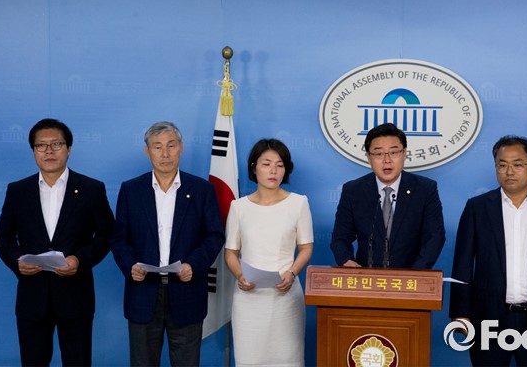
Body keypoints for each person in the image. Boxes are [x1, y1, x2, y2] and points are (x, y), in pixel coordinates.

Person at [449, 135, 527, 366]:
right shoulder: (478, 208)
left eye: (517, 164)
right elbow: (462, 265)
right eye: (502, 165)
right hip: (488, 317)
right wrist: (460, 314)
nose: (509, 171)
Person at [0, 118, 114, 366]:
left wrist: (79, 260)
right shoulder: (18, 191)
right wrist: (17, 262)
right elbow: (3, 237)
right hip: (32, 296)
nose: (49, 151)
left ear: (68, 149)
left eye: (56, 144)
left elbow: (107, 235)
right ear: (33, 151)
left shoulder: (91, 189)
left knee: (78, 361)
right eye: (41, 145)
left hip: (76, 295)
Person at [110, 121, 224, 366]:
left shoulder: (202, 190)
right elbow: (119, 238)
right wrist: (131, 266)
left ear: (181, 147)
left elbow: (214, 235)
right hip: (143, 291)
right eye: (157, 146)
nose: (165, 153)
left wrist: (193, 265)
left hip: (187, 291)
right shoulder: (131, 190)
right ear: (147, 151)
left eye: (171, 145)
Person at [224, 138, 313, 366]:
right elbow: (231, 252)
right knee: (249, 359)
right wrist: (240, 276)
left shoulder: (298, 203)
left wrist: (291, 273)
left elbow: (306, 248)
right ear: (254, 167)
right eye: (266, 164)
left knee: (288, 359)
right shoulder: (239, 207)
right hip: (248, 296)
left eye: (280, 165)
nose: (273, 170)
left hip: (286, 294)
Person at [330, 123, 445, 269]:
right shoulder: (353, 191)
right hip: (366, 278)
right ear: (368, 157)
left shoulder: (425, 189)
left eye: (394, 152)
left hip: (411, 277)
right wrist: (346, 260)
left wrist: (416, 273)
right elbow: (340, 237)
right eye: (378, 154)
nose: (387, 160)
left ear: (404, 153)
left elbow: (434, 236)